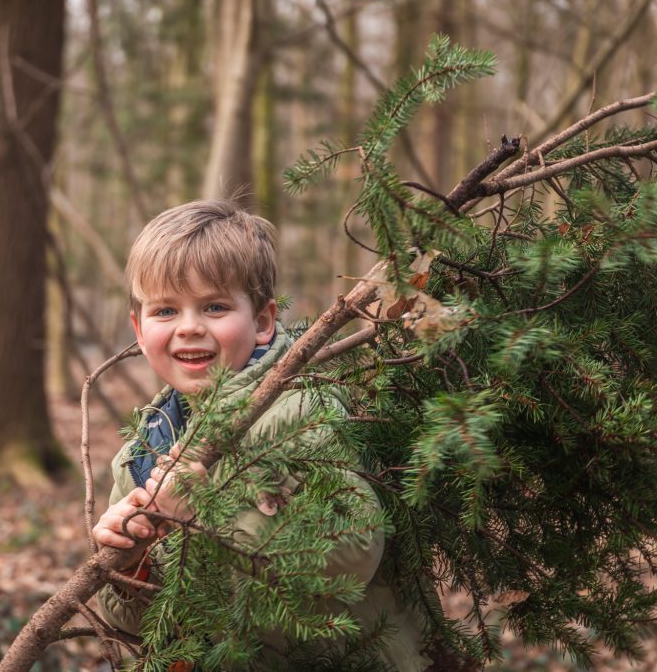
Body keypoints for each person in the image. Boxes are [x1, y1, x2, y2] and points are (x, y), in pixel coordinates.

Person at [92, 199, 433, 669]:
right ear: (138, 327)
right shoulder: (143, 451)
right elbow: (136, 624)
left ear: (263, 322)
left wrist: (207, 515)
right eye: (165, 310)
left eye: (214, 306)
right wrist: (128, 566)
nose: (189, 328)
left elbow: (354, 545)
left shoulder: (300, 411)